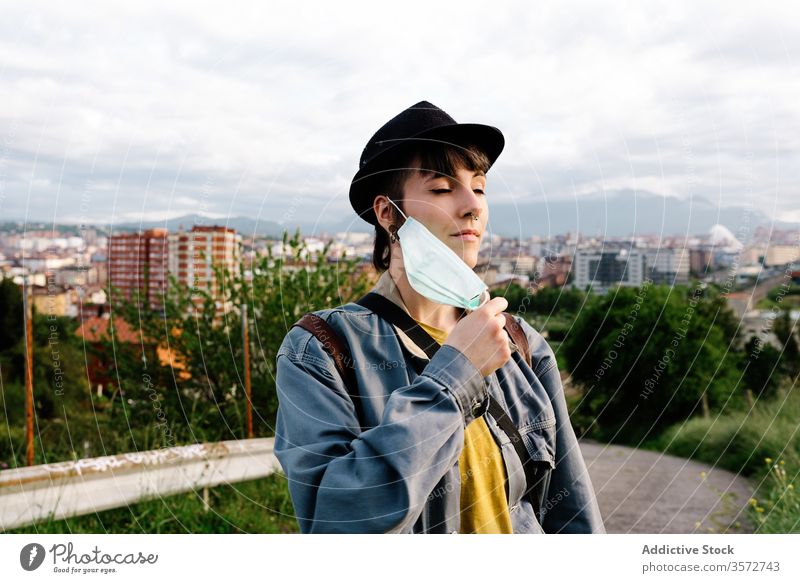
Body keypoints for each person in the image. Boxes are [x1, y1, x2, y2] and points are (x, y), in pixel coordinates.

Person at [274, 100, 605, 534]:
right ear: (388, 213)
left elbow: (572, 512)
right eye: (442, 189)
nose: (472, 206)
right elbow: (336, 523)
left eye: (480, 187)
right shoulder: (321, 350)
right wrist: (458, 373)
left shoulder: (519, 342)